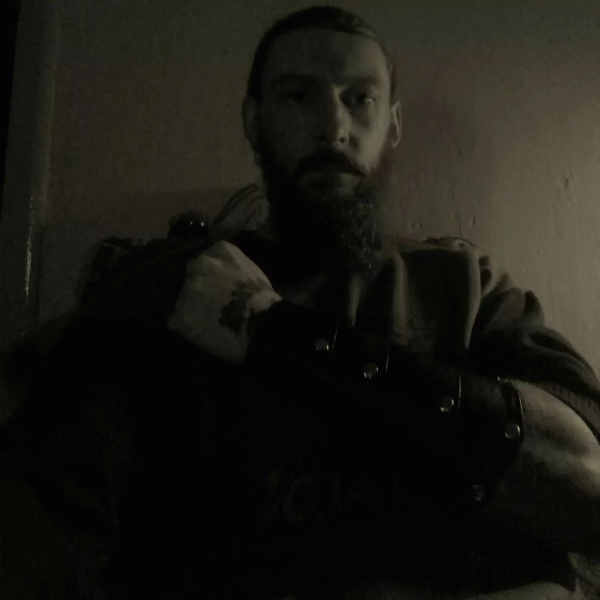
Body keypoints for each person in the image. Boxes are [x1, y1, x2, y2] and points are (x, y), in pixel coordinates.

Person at [1, 5, 600, 600]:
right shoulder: (167, 288)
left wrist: (270, 332)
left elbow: (586, 476)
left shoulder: (468, 286)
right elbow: (40, 525)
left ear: (392, 125)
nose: (333, 126)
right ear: (254, 120)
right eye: (297, 96)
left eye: (360, 98)